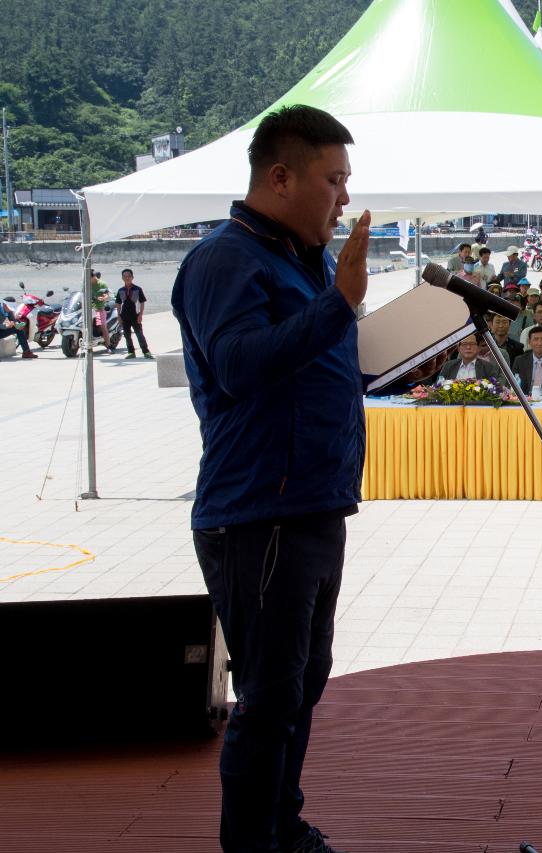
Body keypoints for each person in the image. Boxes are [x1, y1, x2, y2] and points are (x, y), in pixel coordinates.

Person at [171, 104, 368, 853]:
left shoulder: (304, 257)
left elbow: (316, 362)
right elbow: (242, 364)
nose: (344, 199)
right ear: (280, 177)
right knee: (269, 697)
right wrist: (342, 303)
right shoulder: (226, 260)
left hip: (314, 503)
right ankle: (255, 841)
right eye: (334, 180)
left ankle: (282, 823)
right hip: (260, 510)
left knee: (302, 684)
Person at [113, 268, 153, 359]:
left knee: (139, 334)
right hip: (124, 316)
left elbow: (142, 302)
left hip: (135, 316)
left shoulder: (138, 289)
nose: (127, 278)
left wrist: (140, 315)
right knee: (127, 335)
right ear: (122, 278)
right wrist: (118, 315)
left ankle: (146, 351)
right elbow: (118, 303)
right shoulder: (120, 290)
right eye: (125, 276)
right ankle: (131, 352)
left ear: (132, 277)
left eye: (129, 276)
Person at [438, 333, 504, 382]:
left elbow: (495, 390)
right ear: (458, 348)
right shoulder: (448, 366)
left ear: (478, 348)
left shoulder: (488, 368)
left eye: (472, 344)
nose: (468, 347)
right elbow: (437, 387)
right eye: (464, 344)